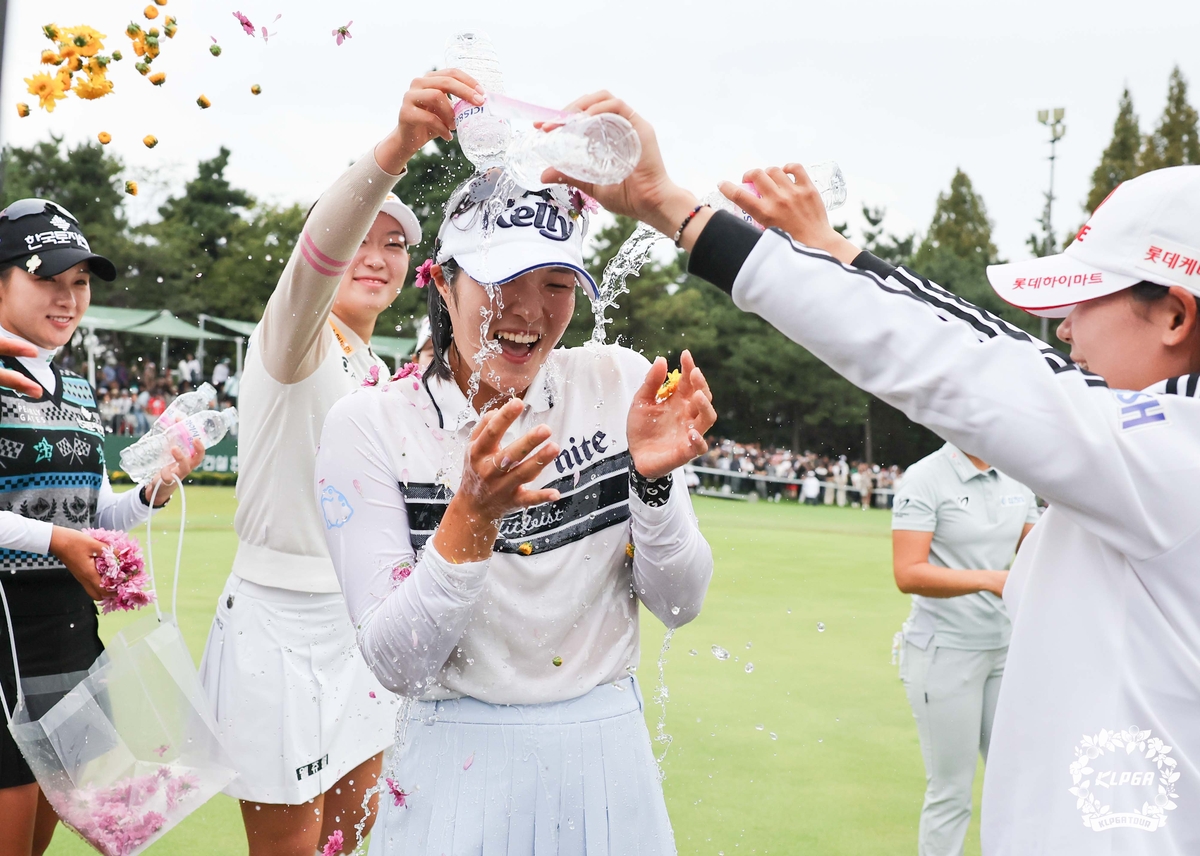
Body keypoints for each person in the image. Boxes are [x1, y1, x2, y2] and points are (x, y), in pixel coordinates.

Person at [561, 92, 1200, 854]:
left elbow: (964, 367)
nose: (1063, 330)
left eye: (1084, 299)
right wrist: (840, 258)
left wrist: (679, 211)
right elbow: (989, 357)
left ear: (1175, 316)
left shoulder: (1173, 456)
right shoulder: (1152, 456)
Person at [315, 161, 716, 852]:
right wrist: (470, 520)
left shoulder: (614, 381)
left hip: (606, 747)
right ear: (444, 282)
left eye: (557, 284)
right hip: (454, 757)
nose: (530, 311)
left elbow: (680, 604)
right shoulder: (369, 425)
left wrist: (651, 488)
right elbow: (396, 663)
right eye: (503, 282)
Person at [197, 72, 471, 856]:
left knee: (351, 838)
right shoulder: (293, 340)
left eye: (396, 244)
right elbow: (318, 258)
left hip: (357, 629)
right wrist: (397, 149)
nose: (376, 255)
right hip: (273, 631)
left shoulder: (385, 377)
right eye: (363, 234)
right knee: (292, 846)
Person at [0, 198, 202, 856]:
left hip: (70, 638)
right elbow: (65, 534)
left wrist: (156, 487)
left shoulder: (79, 390)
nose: (67, 299)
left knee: (41, 839)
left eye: (79, 283)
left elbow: (96, 514)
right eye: (47, 281)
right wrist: (59, 543)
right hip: (5, 632)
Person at [892, 444, 1038, 856]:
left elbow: (1037, 553)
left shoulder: (1017, 472)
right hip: (944, 651)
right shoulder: (924, 477)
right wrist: (992, 580)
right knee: (952, 792)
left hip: (1006, 651)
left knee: (1015, 782)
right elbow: (908, 573)